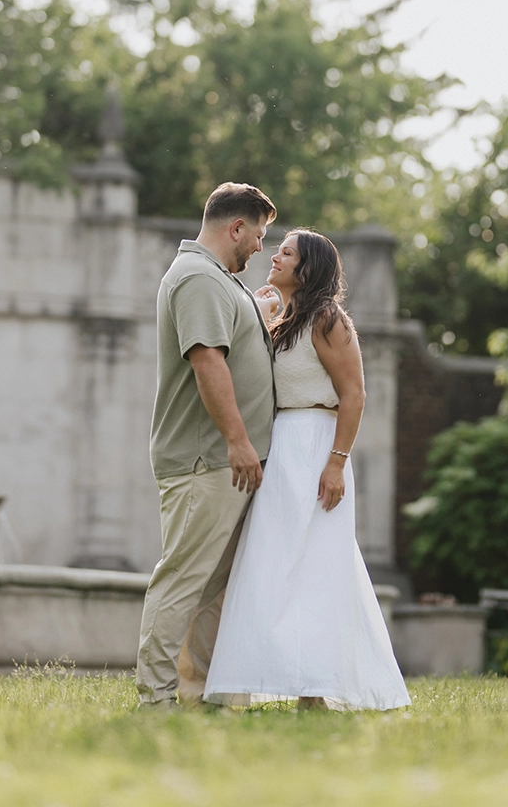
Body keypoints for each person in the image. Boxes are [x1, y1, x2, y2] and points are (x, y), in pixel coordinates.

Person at [203, 229, 410, 711]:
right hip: (282, 448)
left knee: (318, 567)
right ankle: (268, 679)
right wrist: (258, 317)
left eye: (286, 252)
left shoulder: (328, 319)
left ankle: (316, 693)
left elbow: (354, 394)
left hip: (319, 448)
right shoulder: (282, 320)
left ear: (308, 267)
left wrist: (336, 463)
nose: (274, 256)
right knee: (271, 561)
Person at [134, 182, 279, 708]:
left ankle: (200, 696)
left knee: (214, 587)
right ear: (235, 227)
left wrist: (256, 314)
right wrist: (238, 441)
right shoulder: (198, 277)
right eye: (257, 235)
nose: (260, 247)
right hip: (208, 459)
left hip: (226, 461)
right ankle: (155, 699)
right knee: (182, 580)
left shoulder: (218, 280)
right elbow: (207, 361)